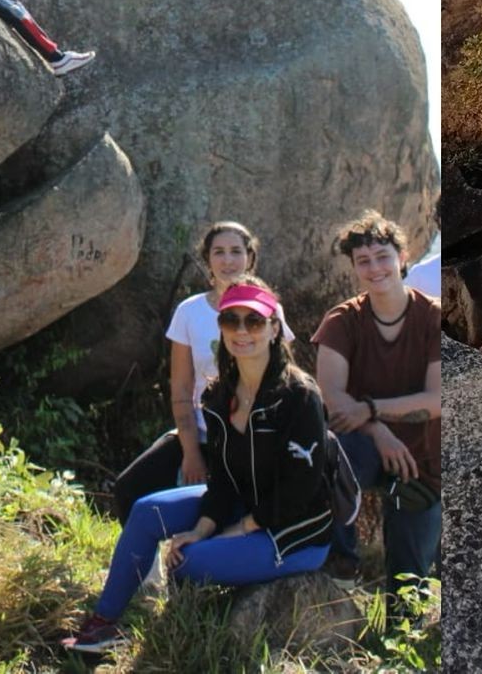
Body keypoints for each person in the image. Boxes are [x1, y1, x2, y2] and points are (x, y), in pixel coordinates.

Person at [65, 277, 333, 654]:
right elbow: (222, 480)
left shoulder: (299, 397)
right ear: (220, 328)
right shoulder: (218, 394)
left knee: (186, 562)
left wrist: (234, 532)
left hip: (294, 530)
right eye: (231, 321)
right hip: (242, 503)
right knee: (146, 512)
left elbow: (298, 492)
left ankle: (170, 640)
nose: (242, 331)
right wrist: (204, 526)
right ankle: (103, 625)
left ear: (275, 329)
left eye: (254, 322)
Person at [111, 222, 298, 523]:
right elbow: (182, 389)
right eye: (219, 252)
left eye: (236, 252)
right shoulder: (190, 311)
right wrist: (191, 451)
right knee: (129, 489)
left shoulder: (268, 310)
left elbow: (285, 376)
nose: (228, 261)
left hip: (251, 438)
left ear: (250, 257)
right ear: (207, 259)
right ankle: (146, 568)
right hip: (200, 432)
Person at [313, 211, 441, 596]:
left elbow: (437, 399)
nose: (375, 268)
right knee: (326, 458)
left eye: (382, 256)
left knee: (408, 589)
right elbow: (332, 398)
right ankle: (341, 570)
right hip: (364, 446)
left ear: (402, 257)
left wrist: (368, 409)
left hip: (422, 461)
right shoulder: (342, 321)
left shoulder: (433, 317)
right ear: (354, 267)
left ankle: (399, 640)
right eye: (363, 261)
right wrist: (377, 428)